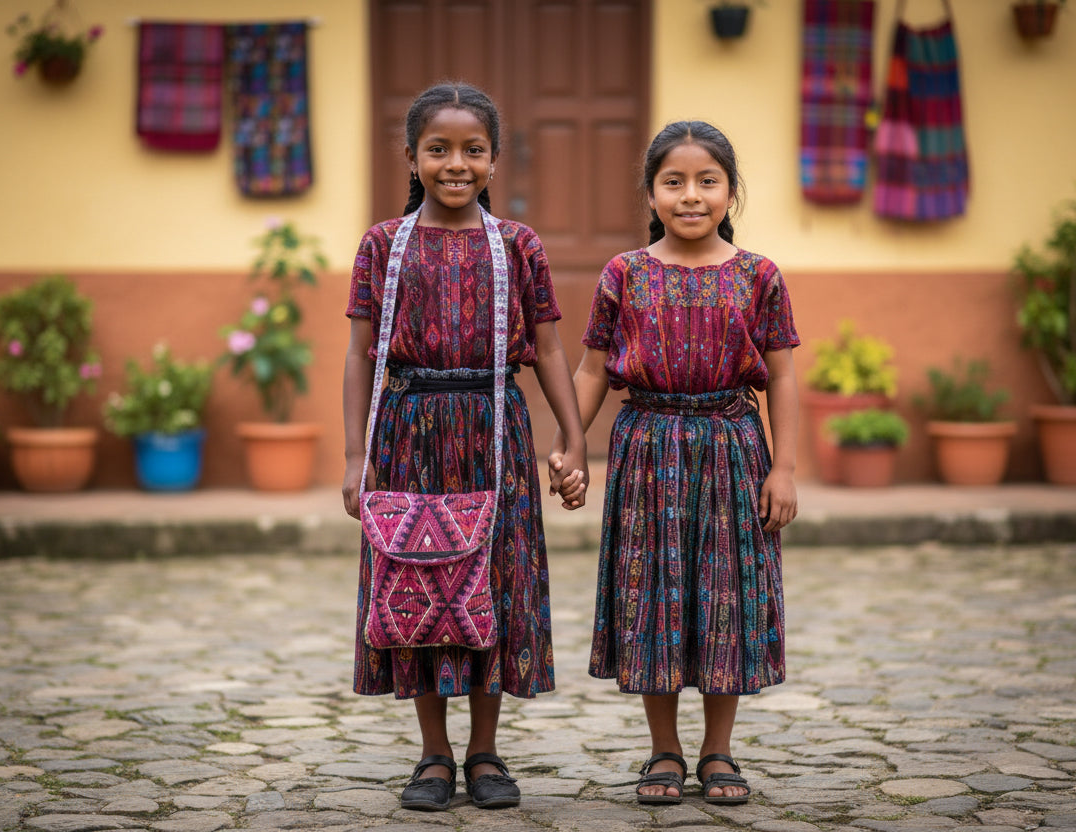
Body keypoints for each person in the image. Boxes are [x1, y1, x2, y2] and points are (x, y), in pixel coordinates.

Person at [342, 81, 587, 812]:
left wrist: (575, 439)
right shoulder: (384, 244)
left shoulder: (518, 245)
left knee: (492, 581)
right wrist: (356, 456)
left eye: (473, 150)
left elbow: (546, 349)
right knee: (417, 578)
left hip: (495, 431)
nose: (457, 163)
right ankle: (433, 755)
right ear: (412, 157)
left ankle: (484, 751)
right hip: (409, 427)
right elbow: (361, 355)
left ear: (494, 158)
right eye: (439, 149)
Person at [550, 120, 799, 805]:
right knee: (652, 594)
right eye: (674, 182)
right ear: (652, 193)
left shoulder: (759, 277)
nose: (691, 196)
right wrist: (573, 446)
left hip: (732, 448)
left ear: (730, 191)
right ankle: (663, 750)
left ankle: (718, 752)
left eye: (707, 181)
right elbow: (594, 370)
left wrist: (785, 467)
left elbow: (781, 378)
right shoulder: (623, 275)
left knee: (727, 596)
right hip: (648, 448)